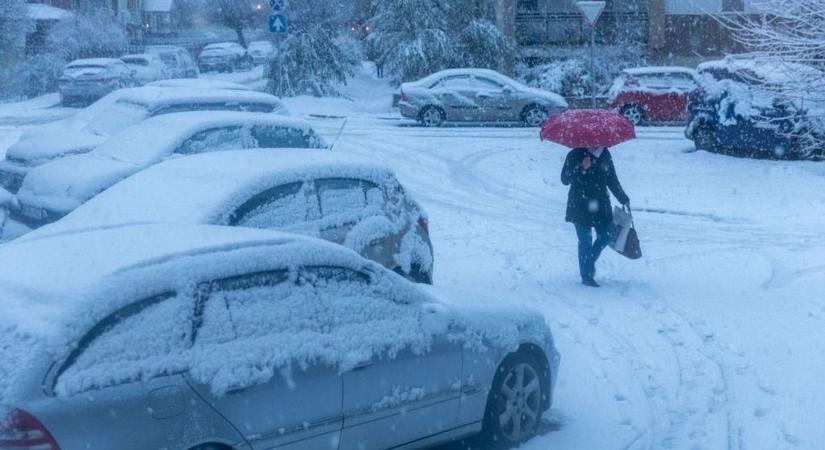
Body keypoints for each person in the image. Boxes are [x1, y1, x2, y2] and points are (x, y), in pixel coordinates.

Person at [561, 147, 630, 287]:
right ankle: (587, 276)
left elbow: (612, 179)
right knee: (585, 240)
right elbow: (565, 179)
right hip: (579, 204)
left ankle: (588, 261)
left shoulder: (605, 153)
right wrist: (580, 167)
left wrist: (623, 198)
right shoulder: (575, 153)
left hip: (601, 204)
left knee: (606, 235)